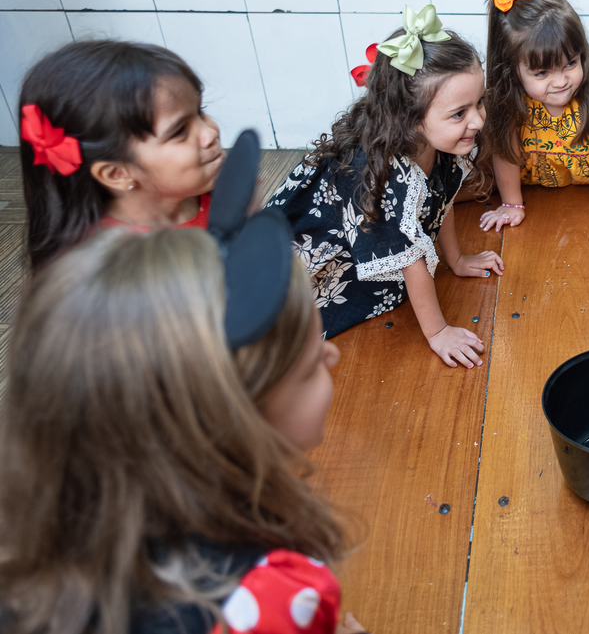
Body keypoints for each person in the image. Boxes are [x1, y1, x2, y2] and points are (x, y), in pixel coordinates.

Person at [0, 224, 367, 634]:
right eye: (310, 366)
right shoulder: (265, 600)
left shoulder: (38, 532)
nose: (332, 355)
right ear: (224, 423)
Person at [268, 4, 503, 367]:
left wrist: (455, 260)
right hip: (305, 263)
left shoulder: (441, 142)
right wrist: (439, 332)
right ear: (409, 120)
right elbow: (409, 258)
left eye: (479, 103)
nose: (477, 120)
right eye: (460, 113)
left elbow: (442, 202)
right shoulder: (384, 175)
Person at [17, 39, 225, 270]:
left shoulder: (216, 193)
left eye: (200, 111)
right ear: (117, 174)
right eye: (179, 131)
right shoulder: (116, 267)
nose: (210, 132)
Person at [475, 0, 589, 232]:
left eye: (570, 63)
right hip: (534, 187)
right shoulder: (509, 96)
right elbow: (506, 153)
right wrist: (512, 204)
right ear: (512, 70)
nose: (560, 82)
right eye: (542, 72)